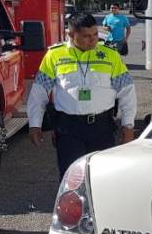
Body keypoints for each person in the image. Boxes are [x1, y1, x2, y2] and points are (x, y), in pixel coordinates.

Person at [28, 13, 138, 177]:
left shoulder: (110, 55)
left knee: (101, 177)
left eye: (95, 34)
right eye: (86, 36)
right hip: (68, 128)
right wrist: (34, 124)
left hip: (102, 127)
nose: (93, 40)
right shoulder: (54, 55)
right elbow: (39, 91)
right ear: (71, 35)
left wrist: (128, 125)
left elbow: (127, 91)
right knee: (71, 178)